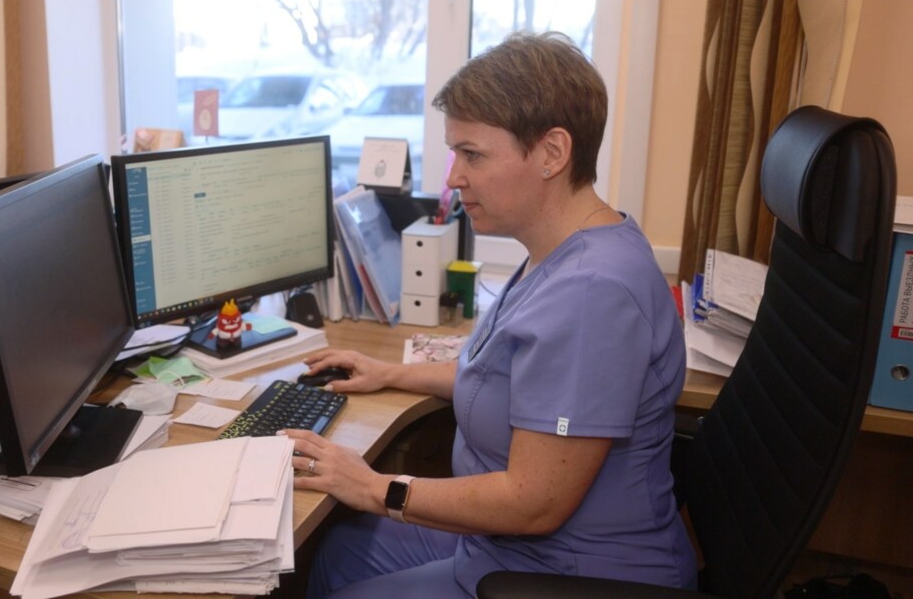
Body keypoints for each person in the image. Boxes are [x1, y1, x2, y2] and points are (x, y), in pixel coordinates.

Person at [284, 31, 697, 598]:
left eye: (472, 154)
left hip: (566, 570)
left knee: (343, 545)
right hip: (507, 544)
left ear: (552, 153)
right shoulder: (563, 248)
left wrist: (376, 486)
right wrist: (390, 373)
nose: (453, 176)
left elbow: (534, 504)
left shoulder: (591, 292)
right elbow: (505, 378)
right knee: (341, 550)